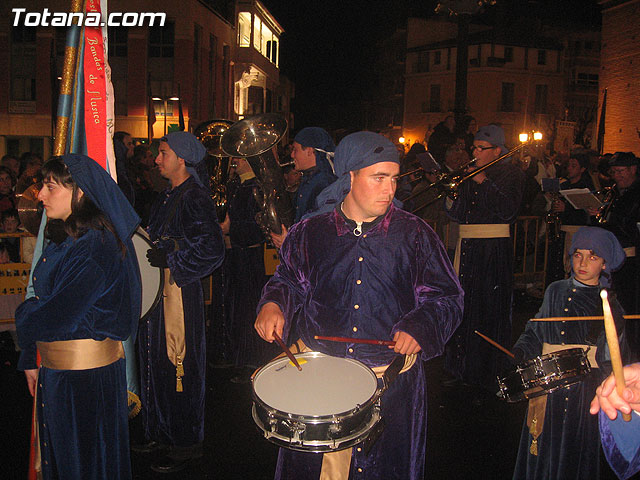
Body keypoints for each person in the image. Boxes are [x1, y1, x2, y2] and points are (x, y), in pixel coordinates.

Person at [255, 131, 464, 480]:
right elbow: (288, 279)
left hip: (392, 383)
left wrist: (420, 326)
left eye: (394, 179)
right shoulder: (310, 232)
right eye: (378, 178)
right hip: (319, 378)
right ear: (350, 176)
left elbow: (447, 296)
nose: (390, 189)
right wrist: (273, 303)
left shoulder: (415, 233)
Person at [14, 154, 142, 479]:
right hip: (62, 375)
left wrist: (23, 318)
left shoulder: (96, 245)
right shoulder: (66, 238)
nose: (40, 195)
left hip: (85, 382)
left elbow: (55, 316)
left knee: (85, 462)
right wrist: (30, 354)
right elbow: (45, 304)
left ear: (80, 192)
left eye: (50, 187)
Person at [135, 131, 225, 473]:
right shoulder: (167, 196)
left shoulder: (195, 197)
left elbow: (212, 249)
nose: (157, 159)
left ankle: (185, 441)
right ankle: (161, 429)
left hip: (179, 296)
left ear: (182, 158)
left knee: (179, 364)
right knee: (158, 361)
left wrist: (174, 259)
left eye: (163, 153)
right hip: (162, 293)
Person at [512, 226, 628, 479]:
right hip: (548, 387)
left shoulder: (608, 302)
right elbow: (536, 329)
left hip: (583, 392)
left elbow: (615, 356)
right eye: (578, 255)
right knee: (540, 443)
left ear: (605, 264)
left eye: (593, 257)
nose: (583, 263)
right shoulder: (555, 290)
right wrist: (522, 351)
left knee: (574, 450)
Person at [444, 124, 525, 397]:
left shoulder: (512, 173)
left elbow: (508, 211)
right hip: (467, 246)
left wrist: (483, 183)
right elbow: (457, 213)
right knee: (465, 309)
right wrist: (452, 193)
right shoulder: (471, 174)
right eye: (474, 147)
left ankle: (488, 372)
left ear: (497, 151)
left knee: (488, 310)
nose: (475, 153)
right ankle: (461, 368)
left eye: (481, 148)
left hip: (492, 248)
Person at [221, 158, 276, 382]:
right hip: (234, 253)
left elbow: (260, 227)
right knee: (234, 305)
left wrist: (229, 229)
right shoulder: (235, 185)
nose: (234, 161)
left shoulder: (257, 187)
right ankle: (236, 355)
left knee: (247, 308)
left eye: (239, 158)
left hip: (250, 255)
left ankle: (252, 360)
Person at [594, 152, 640, 358]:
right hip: (614, 258)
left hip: (631, 261)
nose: (617, 176)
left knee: (630, 310)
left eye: (621, 171)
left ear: (633, 170)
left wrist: (609, 220)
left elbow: (627, 224)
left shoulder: (636, 193)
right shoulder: (615, 192)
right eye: (615, 172)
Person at [270, 127, 336, 248]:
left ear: (310, 151)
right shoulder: (310, 179)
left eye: (295, 150)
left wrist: (290, 242)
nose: (292, 154)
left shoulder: (325, 184)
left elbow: (320, 234)